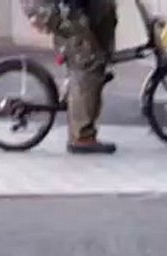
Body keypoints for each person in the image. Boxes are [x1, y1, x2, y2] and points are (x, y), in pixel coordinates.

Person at [28, 0, 118, 154]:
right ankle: (82, 137)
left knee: (104, 8)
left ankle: (77, 91)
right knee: (87, 60)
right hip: (50, 7)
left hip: (61, 6)